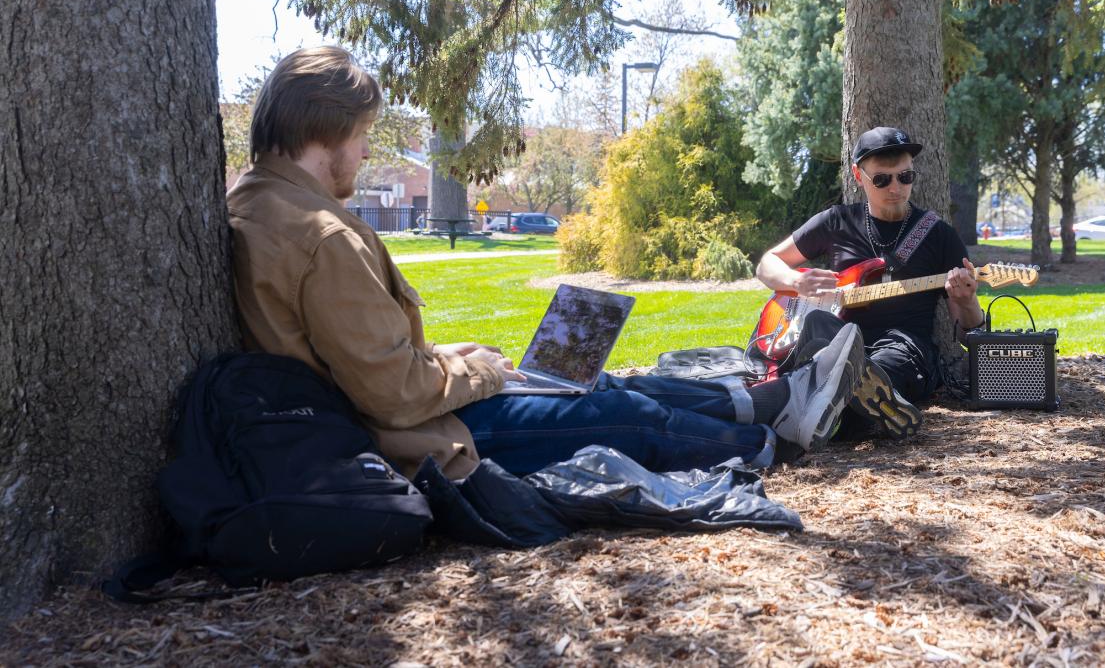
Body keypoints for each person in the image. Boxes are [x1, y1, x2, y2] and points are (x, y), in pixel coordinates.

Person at [227, 46, 871, 481]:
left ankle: (770, 400)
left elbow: (355, 358)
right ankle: (774, 441)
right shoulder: (321, 236)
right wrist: (475, 373)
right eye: (364, 135)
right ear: (329, 131)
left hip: (402, 407)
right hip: (422, 433)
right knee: (618, 416)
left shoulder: (258, 203)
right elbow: (392, 396)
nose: (366, 152)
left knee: (597, 383)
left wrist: (452, 356)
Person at [756, 126, 985, 438]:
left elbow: (967, 326)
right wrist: (797, 282)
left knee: (882, 367)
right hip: (838, 341)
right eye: (882, 179)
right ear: (857, 174)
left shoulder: (938, 234)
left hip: (903, 347)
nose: (896, 187)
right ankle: (845, 401)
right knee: (826, 345)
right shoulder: (837, 221)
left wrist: (966, 299)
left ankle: (834, 400)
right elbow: (767, 264)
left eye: (905, 177)